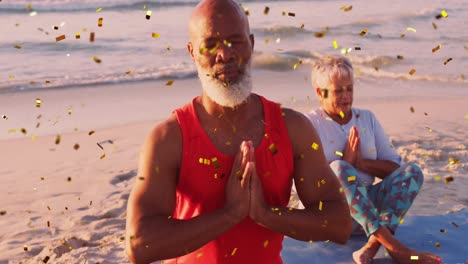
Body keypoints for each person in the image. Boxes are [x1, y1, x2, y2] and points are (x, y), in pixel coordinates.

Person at [125, 1, 352, 263]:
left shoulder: (292, 129)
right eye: (210, 44)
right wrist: (230, 214)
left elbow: (339, 223)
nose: (225, 54)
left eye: (235, 41)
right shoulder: (169, 138)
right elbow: (139, 245)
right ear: (192, 53)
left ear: (251, 45)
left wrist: (265, 214)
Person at [306, 55, 442, 264]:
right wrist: (347, 166)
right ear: (319, 92)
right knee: (338, 167)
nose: (346, 96)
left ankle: (371, 247)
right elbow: (308, 184)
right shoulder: (310, 124)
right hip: (333, 216)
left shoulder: (367, 118)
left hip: (371, 213)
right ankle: (397, 249)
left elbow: (395, 169)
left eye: (349, 89)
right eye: (338, 90)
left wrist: (361, 164)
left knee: (412, 172)